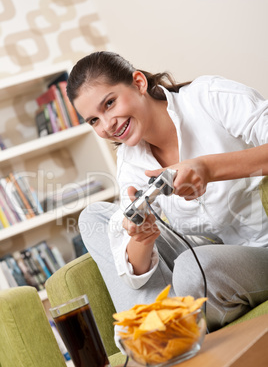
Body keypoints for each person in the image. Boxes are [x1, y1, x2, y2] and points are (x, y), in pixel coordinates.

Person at [67, 51, 268, 332]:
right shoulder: (130, 161)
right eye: (94, 120)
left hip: (259, 251)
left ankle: (169, 332)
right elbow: (135, 272)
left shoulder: (208, 97)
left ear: (138, 83)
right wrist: (142, 239)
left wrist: (209, 168)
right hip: (212, 251)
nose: (107, 125)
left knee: (193, 268)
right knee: (94, 216)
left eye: (109, 103)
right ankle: (155, 332)